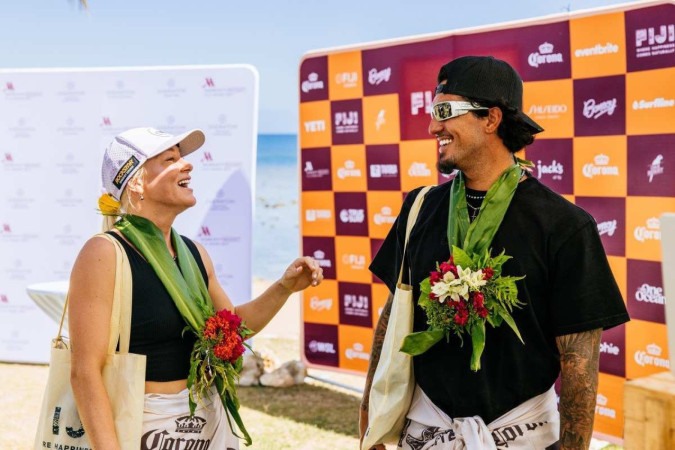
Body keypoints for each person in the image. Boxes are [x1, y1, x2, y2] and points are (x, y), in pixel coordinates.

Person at [360, 56, 629, 450]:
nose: (433, 126)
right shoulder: (419, 208)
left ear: (491, 119)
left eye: (445, 111)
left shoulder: (565, 225)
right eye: (432, 112)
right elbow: (392, 319)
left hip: (522, 435)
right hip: (426, 432)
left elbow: (580, 363)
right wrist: (370, 416)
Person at [68, 127, 323, 449]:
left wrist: (283, 288)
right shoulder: (105, 252)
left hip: (205, 419)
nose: (187, 165)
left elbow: (231, 328)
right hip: (144, 423)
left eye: (183, 157)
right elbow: (85, 371)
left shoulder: (193, 252)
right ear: (135, 182)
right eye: (170, 159)